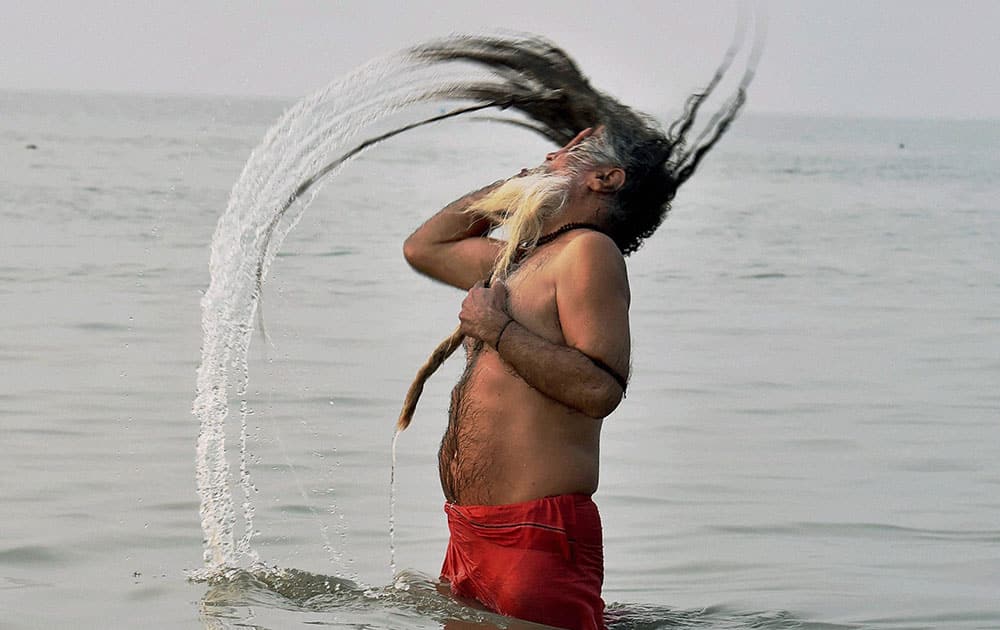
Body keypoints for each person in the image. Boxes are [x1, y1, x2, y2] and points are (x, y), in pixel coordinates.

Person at [403, 124, 654, 629]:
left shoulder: (589, 252)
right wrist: (510, 193)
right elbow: (424, 247)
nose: (549, 155)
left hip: (534, 534)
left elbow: (599, 388)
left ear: (605, 178)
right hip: (471, 534)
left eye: (568, 153)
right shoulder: (519, 259)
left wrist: (494, 327)